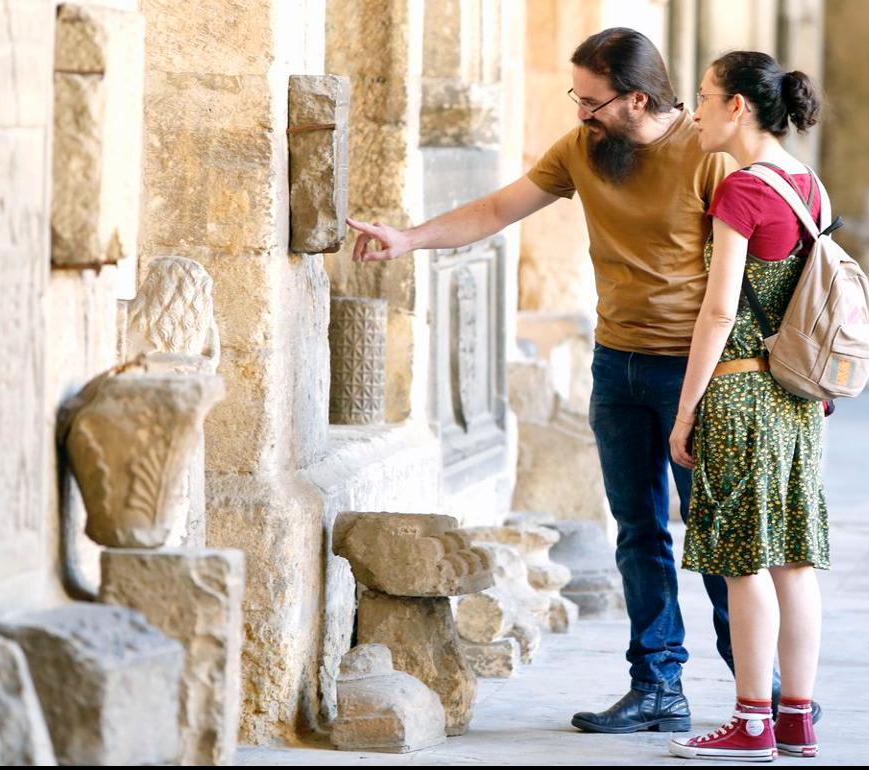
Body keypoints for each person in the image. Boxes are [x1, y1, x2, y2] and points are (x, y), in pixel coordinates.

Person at [346, 28, 820, 734]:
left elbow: (755, 280)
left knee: (723, 542)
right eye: (577, 96)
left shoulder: (709, 156)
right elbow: (496, 210)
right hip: (615, 365)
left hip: (697, 373)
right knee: (638, 533)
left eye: (592, 101)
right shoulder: (583, 150)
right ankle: (658, 686)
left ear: (636, 98)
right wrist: (408, 238)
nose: (580, 113)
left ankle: (766, 696)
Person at [665, 51, 828, 761]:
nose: (694, 111)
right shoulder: (807, 185)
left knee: (743, 561)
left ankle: (751, 720)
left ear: (737, 107)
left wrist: (686, 408)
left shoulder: (741, 192)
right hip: (798, 397)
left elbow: (718, 311)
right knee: (794, 559)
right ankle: (796, 718)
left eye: (703, 97)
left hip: (739, 391)